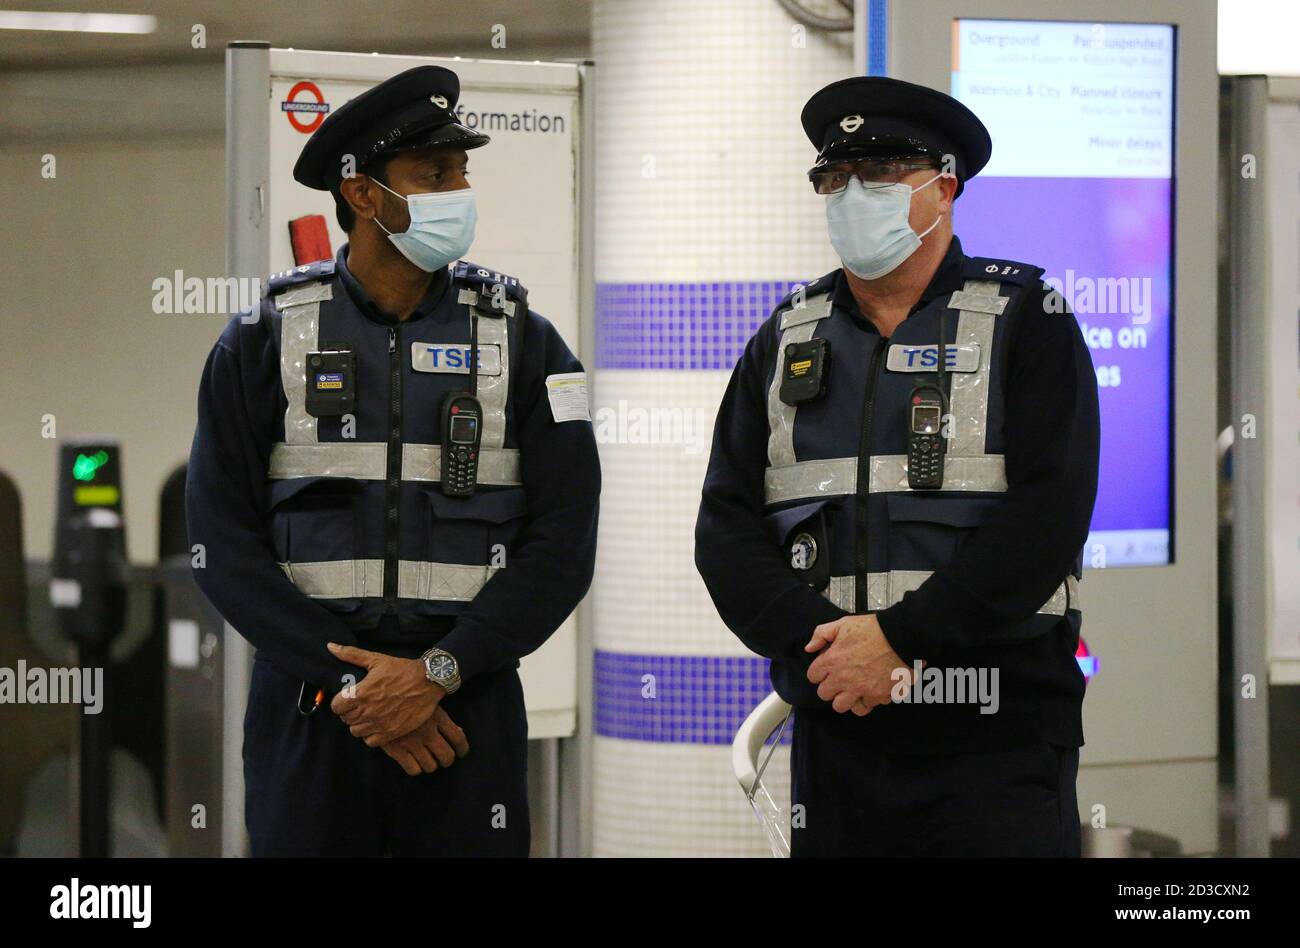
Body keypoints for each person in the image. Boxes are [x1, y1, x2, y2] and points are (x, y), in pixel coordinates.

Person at [186, 65, 600, 856]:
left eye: (462, 171)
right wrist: (357, 688)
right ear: (364, 196)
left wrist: (436, 674)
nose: (459, 189)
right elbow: (220, 543)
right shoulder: (260, 338)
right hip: (313, 716)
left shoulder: (527, 340)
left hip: (463, 715)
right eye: (435, 174)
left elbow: (565, 541)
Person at [695, 76, 1100, 857]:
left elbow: (1048, 516)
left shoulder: (1026, 319)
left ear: (942, 188)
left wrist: (902, 642)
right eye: (834, 178)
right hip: (840, 726)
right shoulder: (785, 337)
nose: (852, 194)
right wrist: (835, 653)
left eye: (880, 174)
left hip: (997, 734)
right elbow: (727, 529)